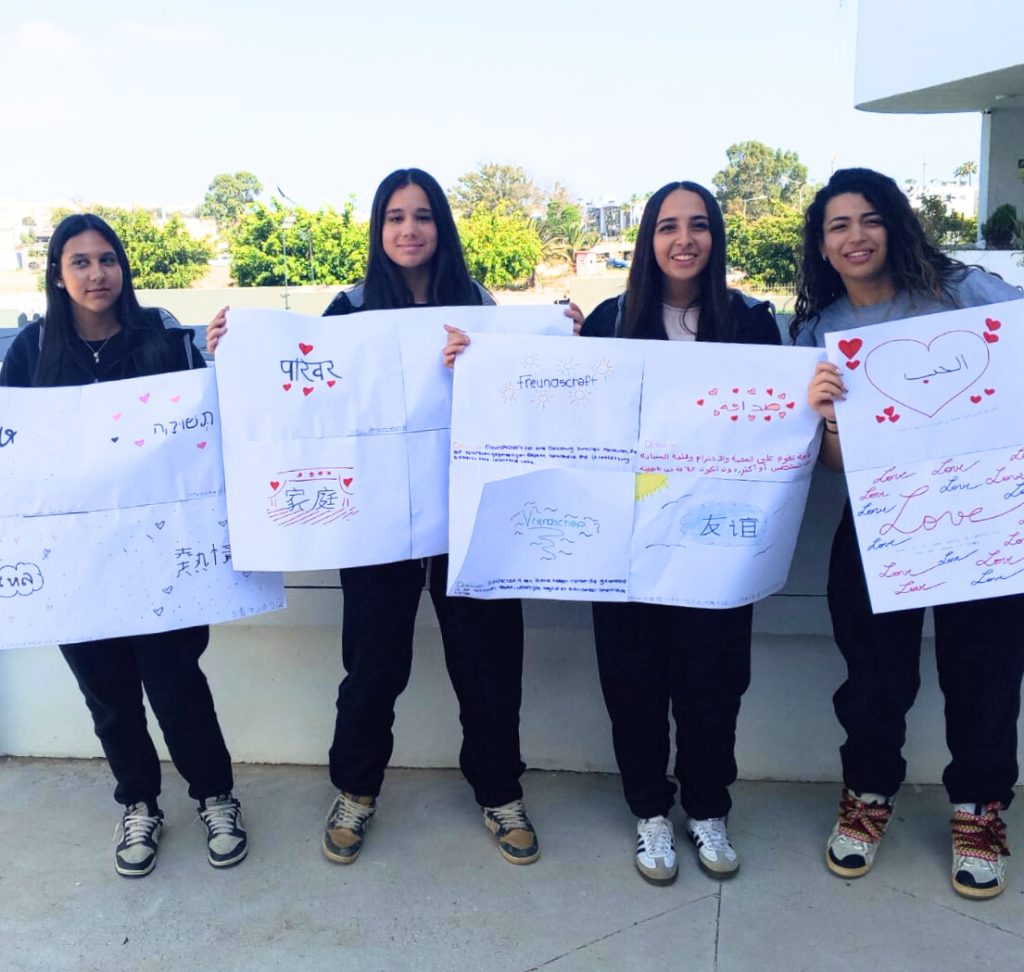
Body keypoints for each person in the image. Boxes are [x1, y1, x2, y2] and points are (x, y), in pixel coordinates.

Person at [209, 168, 559, 866]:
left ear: (442, 227)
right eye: (395, 217)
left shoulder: (479, 306)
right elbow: (303, 395)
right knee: (372, 667)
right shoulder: (349, 308)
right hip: (374, 522)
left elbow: (522, 394)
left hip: (466, 516)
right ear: (379, 229)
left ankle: (500, 792)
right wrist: (232, 348)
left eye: (422, 215)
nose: (409, 229)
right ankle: (356, 791)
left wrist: (541, 342)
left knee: (489, 664)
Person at [448, 181, 778, 884]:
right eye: (667, 226)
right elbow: (559, 404)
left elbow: (777, 422)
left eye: (698, 225)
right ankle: (650, 810)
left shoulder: (752, 322)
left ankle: (708, 808)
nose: (683, 240)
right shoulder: (610, 318)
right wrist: (490, 358)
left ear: (716, 236)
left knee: (715, 683)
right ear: (647, 239)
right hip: (622, 542)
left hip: (717, 543)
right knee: (633, 681)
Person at [795, 167, 1024, 899]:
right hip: (880, 525)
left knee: (986, 673)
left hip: (986, 520)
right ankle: (867, 796)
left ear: (895, 226)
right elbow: (833, 464)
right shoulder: (821, 332)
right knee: (874, 677)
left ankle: (979, 808)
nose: (856, 236)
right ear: (822, 246)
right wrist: (830, 418)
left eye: (870, 219)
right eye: (838, 226)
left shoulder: (966, 294)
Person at [0, 214, 247, 878]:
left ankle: (215, 796)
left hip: (163, 557)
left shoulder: (162, 338)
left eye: (107, 259)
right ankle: (139, 802)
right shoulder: (29, 352)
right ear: (58, 275)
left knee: (177, 685)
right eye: (79, 262)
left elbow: (213, 423)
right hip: (73, 564)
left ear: (123, 267)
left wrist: (227, 357)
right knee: (107, 695)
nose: (96, 273)